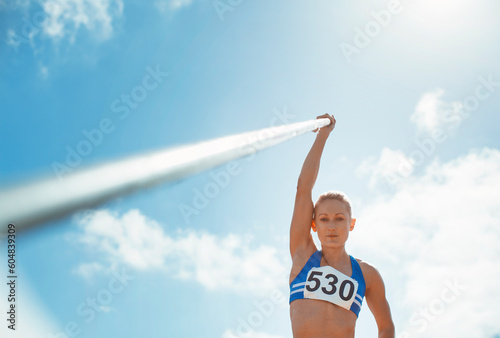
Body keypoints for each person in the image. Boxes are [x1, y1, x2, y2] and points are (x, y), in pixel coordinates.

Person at [289, 114, 395, 337]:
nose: (331, 226)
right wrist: (322, 136)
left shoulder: (367, 274)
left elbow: (386, 328)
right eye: (324, 219)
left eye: (339, 218)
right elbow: (303, 189)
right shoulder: (302, 254)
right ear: (314, 225)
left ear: (351, 223)